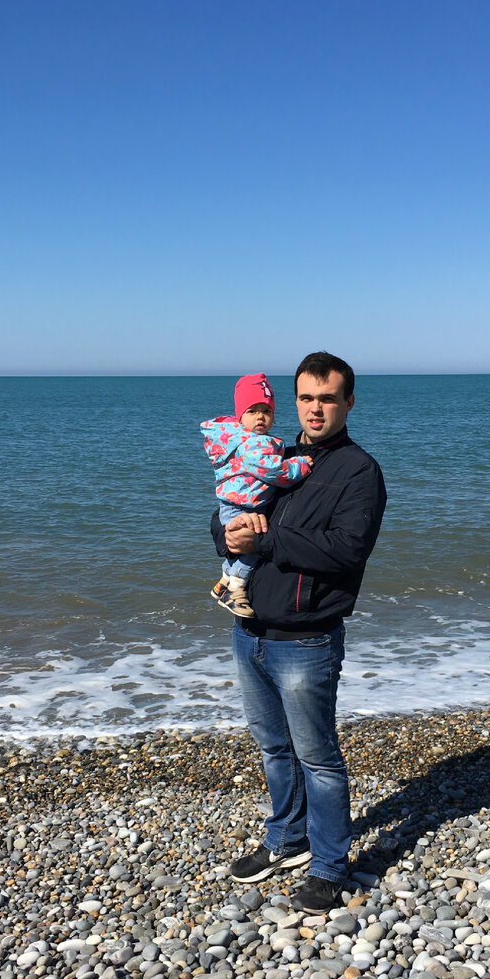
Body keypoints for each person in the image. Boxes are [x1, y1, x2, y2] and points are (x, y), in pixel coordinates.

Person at [211, 351, 386, 914]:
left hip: (306, 639)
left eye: (327, 398)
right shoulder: (275, 456)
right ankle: (286, 840)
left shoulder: (358, 471)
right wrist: (227, 533)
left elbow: (346, 550)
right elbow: (231, 504)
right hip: (249, 630)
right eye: (306, 398)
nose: (316, 409)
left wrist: (263, 542)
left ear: (348, 402)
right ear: (295, 401)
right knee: (273, 748)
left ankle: (330, 866)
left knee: (318, 758)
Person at [201, 373, 314, 618]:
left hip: (230, 504)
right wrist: (300, 465)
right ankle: (235, 589)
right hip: (243, 507)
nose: (260, 416)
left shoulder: (235, 439)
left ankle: (223, 583)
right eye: (252, 411)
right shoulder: (254, 444)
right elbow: (273, 471)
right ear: (240, 415)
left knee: (241, 547)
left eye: (266, 411)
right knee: (252, 547)